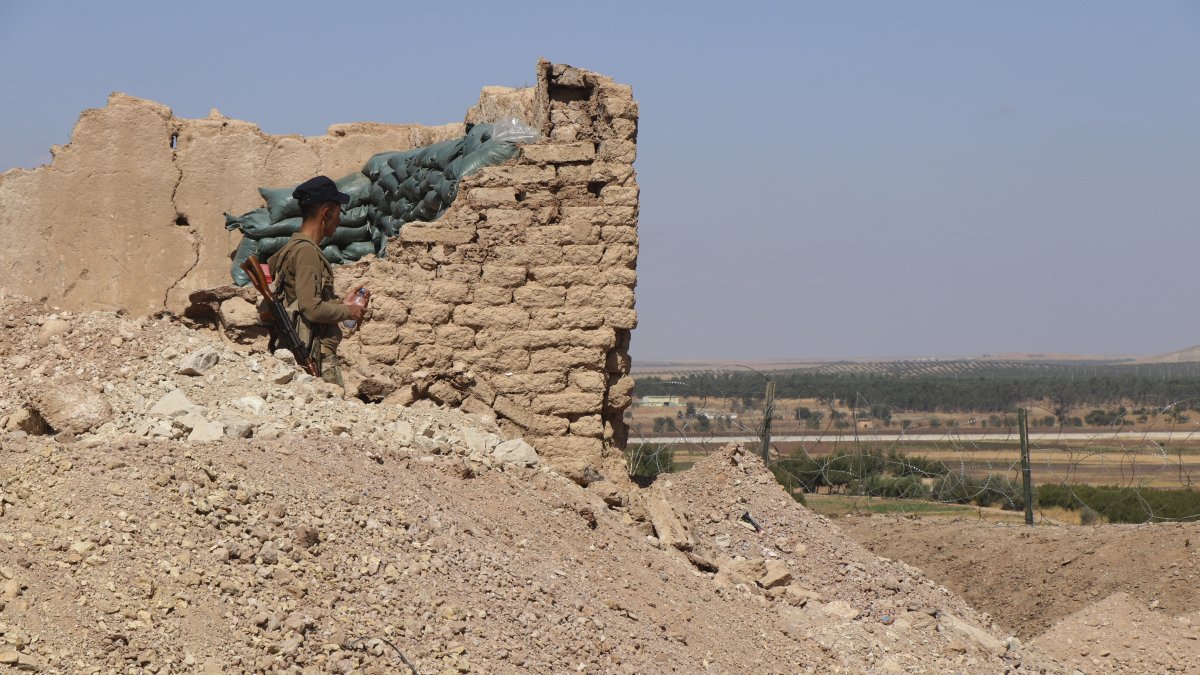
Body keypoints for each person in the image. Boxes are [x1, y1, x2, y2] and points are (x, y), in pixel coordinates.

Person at [268, 175, 369, 388]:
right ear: (326, 213)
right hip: (316, 357)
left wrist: (341, 303)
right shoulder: (307, 252)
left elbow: (301, 299)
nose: (339, 220)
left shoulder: (292, 248)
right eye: (338, 213)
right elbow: (311, 309)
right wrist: (350, 311)